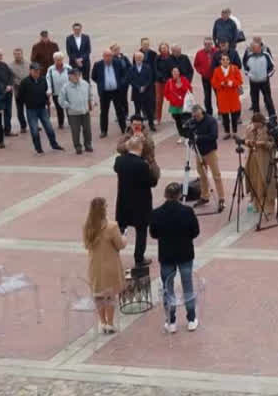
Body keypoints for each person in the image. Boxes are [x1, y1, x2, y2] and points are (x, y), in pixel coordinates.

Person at [150, 182, 200, 332]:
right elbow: (195, 231)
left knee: (168, 288)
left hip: (166, 255)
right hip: (185, 253)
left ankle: (171, 321)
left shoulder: (157, 213)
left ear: (165, 195)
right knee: (187, 286)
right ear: (179, 195)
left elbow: (154, 233)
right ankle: (191, 319)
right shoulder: (187, 211)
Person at [83, 197, 125, 335]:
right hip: (110, 265)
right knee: (110, 296)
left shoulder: (87, 226)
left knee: (99, 296)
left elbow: (86, 245)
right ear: (103, 209)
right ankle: (110, 323)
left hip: (94, 265)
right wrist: (124, 238)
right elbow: (120, 245)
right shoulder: (111, 226)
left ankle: (103, 322)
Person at [114, 136, 157, 267]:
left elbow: (116, 168)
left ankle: (113, 254)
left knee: (120, 229)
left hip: (124, 201)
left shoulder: (119, 161)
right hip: (140, 204)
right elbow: (152, 182)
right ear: (140, 148)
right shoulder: (142, 165)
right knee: (141, 232)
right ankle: (139, 258)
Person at [187, 104, 225, 212]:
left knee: (216, 175)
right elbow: (189, 134)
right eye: (195, 116)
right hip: (199, 152)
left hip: (210, 151)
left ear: (202, 112)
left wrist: (198, 138)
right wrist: (190, 137)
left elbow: (214, 136)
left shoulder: (211, 121)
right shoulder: (193, 121)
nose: (196, 118)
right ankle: (204, 196)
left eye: (198, 116)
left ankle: (221, 198)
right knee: (202, 175)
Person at [19, 64, 63, 153]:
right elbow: (20, 96)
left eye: (38, 70)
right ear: (30, 71)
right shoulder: (24, 82)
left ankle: (54, 144)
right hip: (31, 110)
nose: (37, 72)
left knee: (49, 128)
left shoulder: (43, 79)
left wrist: (46, 100)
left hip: (42, 108)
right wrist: (27, 103)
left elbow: (46, 90)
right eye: (35, 71)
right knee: (34, 130)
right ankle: (38, 148)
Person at [244, 112, 278, 227]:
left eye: (257, 124)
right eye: (254, 123)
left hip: (265, 160)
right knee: (254, 182)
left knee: (265, 183)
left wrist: (263, 143)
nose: (255, 126)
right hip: (253, 159)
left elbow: (274, 144)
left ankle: (268, 207)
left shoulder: (268, 129)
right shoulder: (250, 128)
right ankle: (256, 204)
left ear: (261, 122)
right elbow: (245, 140)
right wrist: (249, 142)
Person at [93, 48, 127, 138]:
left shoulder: (118, 63)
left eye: (110, 56)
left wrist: (121, 84)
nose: (108, 58)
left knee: (120, 110)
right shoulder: (98, 65)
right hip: (104, 92)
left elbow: (124, 74)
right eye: (106, 56)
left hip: (116, 91)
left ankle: (124, 129)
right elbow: (94, 76)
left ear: (112, 56)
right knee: (104, 112)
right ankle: (103, 131)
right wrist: (101, 84)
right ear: (103, 56)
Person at [61, 66, 95, 153]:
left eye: (78, 74)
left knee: (87, 130)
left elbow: (90, 95)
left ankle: (88, 144)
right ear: (70, 76)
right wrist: (69, 106)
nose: (77, 77)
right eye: (75, 75)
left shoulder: (85, 84)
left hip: (85, 111)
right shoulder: (65, 87)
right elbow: (61, 100)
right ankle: (77, 146)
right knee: (75, 131)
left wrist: (91, 103)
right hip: (73, 114)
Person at [212, 52, 244, 138]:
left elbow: (240, 80)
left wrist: (232, 83)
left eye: (227, 59)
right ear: (220, 61)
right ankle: (227, 132)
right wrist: (221, 84)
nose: (225, 61)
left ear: (229, 60)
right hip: (222, 96)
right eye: (223, 59)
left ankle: (235, 132)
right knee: (225, 115)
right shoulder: (216, 70)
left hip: (233, 96)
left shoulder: (234, 68)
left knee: (234, 115)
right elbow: (214, 83)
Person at [243, 40, 277, 117]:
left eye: (255, 48)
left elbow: (272, 67)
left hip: (264, 81)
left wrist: (267, 75)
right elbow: (245, 67)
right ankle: (256, 117)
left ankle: (272, 116)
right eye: (253, 48)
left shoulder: (266, 55)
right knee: (255, 101)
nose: (254, 50)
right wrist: (249, 74)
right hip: (253, 82)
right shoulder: (249, 56)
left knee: (268, 99)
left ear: (259, 48)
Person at [163, 66, 192, 141]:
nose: (175, 73)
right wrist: (171, 99)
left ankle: (187, 136)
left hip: (184, 105)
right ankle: (181, 135)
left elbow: (189, 90)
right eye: (173, 71)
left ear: (179, 72)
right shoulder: (169, 81)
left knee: (185, 121)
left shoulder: (184, 79)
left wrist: (182, 86)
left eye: (177, 71)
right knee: (178, 121)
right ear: (171, 73)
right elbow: (166, 93)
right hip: (174, 105)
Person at [7, 48, 31, 134]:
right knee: (20, 110)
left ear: (22, 54)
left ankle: (33, 124)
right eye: (16, 54)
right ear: (14, 55)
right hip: (18, 91)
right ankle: (23, 126)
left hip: (29, 91)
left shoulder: (28, 64)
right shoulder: (10, 66)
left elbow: (31, 75)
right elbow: (11, 78)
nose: (17, 56)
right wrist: (19, 83)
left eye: (19, 54)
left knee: (30, 109)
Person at [47, 51, 70, 130]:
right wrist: (49, 90)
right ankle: (61, 123)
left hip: (67, 92)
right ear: (54, 60)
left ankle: (71, 122)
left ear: (62, 59)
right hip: (56, 93)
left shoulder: (68, 68)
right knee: (59, 109)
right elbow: (48, 80)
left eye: (60, 59)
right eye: (56, 59)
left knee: (68, 108)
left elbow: (72, 78)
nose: (58, 61)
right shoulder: (50, 69)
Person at [193, 37, 216, 108]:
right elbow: (196, 64)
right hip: (205, 78)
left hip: (216, 78)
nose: (208, 46)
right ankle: (209, 111)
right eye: (206, 44)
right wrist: (201, 71)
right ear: (204, 44)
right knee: (207, 96)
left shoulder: (216, 51)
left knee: (218, 95)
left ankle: (221, 111)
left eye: (209, 44)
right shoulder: (199, 53)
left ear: (212, 44)